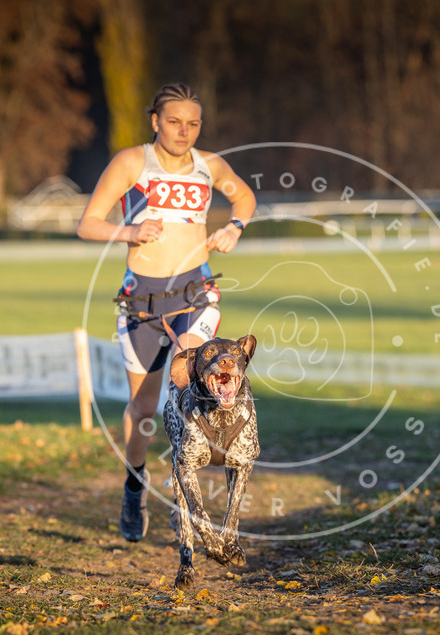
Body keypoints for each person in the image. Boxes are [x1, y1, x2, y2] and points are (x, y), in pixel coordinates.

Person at [77, 82, 256, 542]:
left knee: (192, 373)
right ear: (155, 121)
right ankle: (135, 487)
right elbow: (88, 224)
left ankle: (183, 486)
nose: (184, 131)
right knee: (142, 409)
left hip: (196, 291)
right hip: (142, 300)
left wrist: (235, 226)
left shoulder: (209, 165)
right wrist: (130, 231)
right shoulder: (131, 163)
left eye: (193, 123)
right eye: (174, 122)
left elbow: (244, 197)